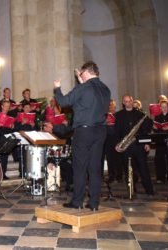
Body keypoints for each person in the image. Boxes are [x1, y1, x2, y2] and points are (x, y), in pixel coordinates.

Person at [53, 61, 110, 211]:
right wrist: (81, 82)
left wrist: (57, 88)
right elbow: (87, 103)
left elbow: (63, 101)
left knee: (79, 167)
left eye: (81, 74)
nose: (80, 76)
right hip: (100, 131)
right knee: (95, 168)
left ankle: (77, 201)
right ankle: (93, 203)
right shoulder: (105, 89)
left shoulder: (83, 88)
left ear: (86, 72)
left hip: (84, 132)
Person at [115, 95, 155, 196]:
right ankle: (131, 190)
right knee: (128, 169)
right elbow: (117, 132)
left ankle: (149, 190)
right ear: (123, 103)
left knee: (143, 168)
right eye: (125, 101)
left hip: (139, 145)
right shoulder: (118, 115)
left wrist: (147, 143)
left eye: (129, 101)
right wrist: (117, 144)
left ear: (132, 101)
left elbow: (146, 130)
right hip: (126, 146)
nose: (128, 103)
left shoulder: (141, 114)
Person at [153, 101, 168, 184]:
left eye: (165, 107)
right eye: (162, 107)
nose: (164, 108)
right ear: (160, 108)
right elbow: (156, 128)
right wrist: (155, 127)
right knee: (159, 159)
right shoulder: (157, 117)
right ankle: (160, 177)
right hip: (160, 140)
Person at [104, 99, 122, 183]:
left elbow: (121, 126)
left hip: (116, 138)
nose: (111, 107)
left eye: (112, 105)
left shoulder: (118, 115)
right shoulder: (104, 115)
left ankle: (119, 176)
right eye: (109, 105)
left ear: (115, 106)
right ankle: (111, 175)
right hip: (107, 139)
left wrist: (114, 124)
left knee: (118, 158)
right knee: (110, 158)